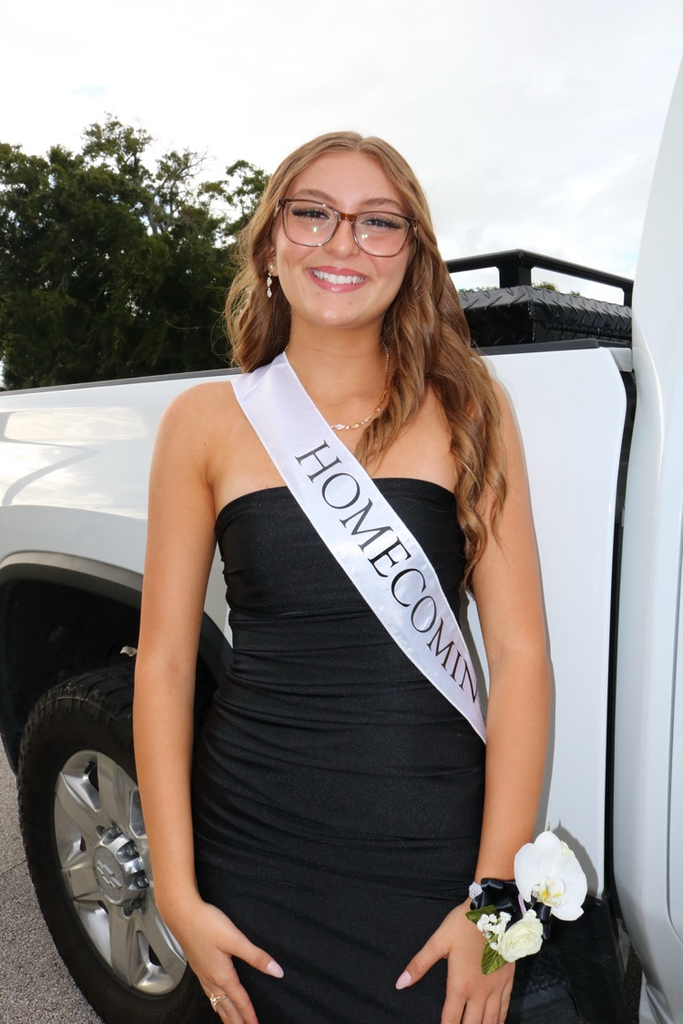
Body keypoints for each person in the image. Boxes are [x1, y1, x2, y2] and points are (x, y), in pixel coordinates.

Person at [133, 131, 550, 1024]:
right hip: (251, 844)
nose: (341, 241)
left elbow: (519, 658)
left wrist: (494, 900)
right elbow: (162, 666)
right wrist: (175, 889)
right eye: (313, 213)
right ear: (270, 244)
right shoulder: (203, 422)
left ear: (412, 254)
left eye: (377, 222)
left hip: (431, 849)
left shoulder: (470, 409)